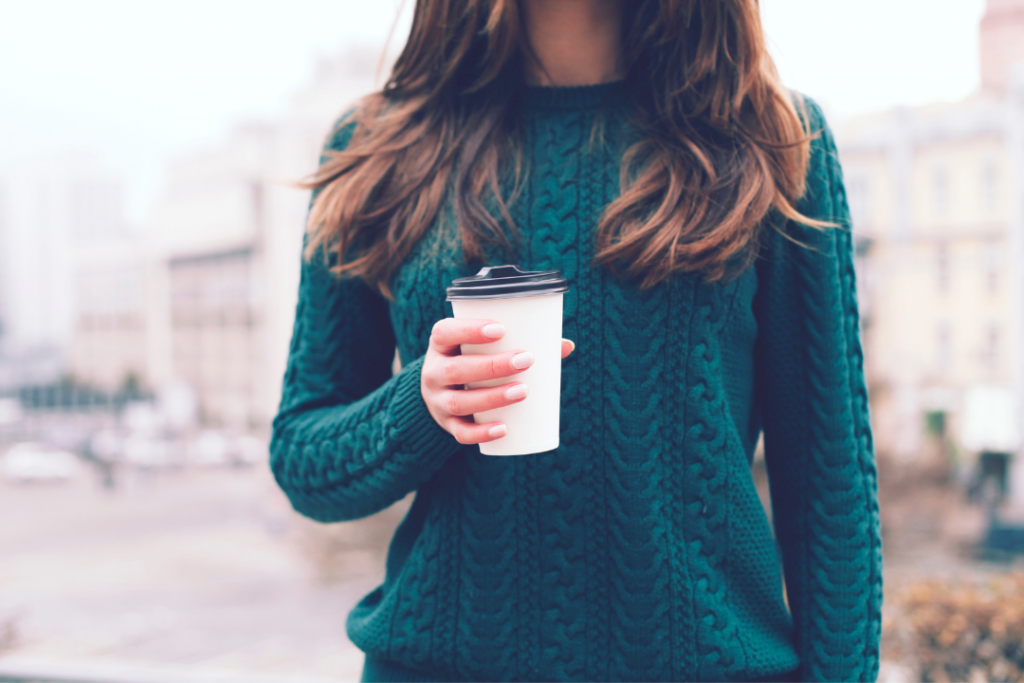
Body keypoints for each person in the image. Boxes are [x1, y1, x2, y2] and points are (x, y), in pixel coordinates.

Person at [270, 0, 882, 680]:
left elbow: (829, 492)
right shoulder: (377, 145)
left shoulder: (771, 136)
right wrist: (423, 405)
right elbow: (304, 456)